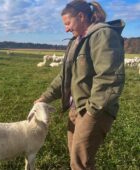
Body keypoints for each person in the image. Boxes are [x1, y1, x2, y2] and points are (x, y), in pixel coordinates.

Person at [34, 0, 125, 169]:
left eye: (68, 23)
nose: (66, 28)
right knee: (75, 157)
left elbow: (109, 77)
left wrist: (91, 111)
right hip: (77, 107)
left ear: (81, 17)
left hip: (94, 111)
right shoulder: (77, 41)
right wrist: (45, 98)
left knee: (80, 162)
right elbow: (65, 76)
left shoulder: (103, 35)